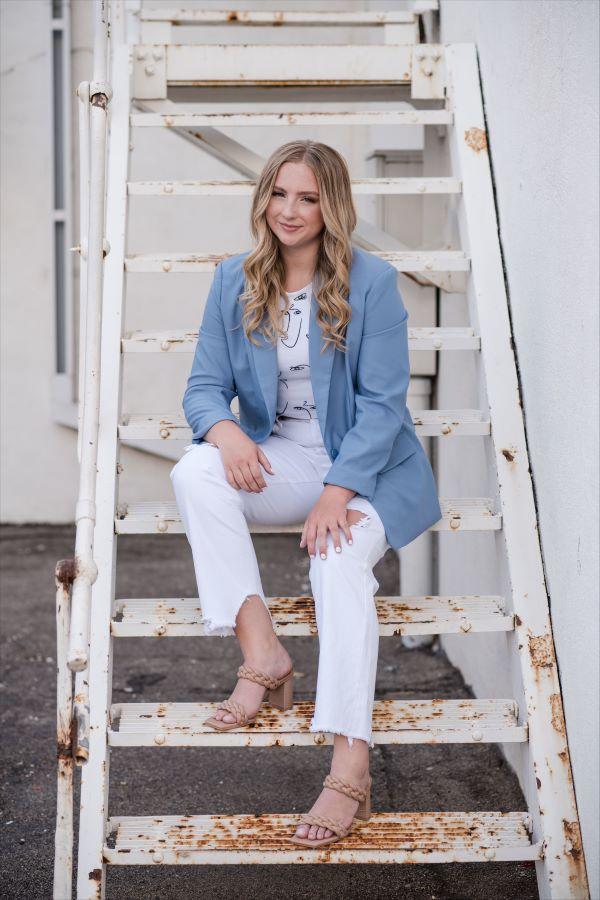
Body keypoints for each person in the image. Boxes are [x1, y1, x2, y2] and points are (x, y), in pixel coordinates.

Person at [170, 139, 442, 848]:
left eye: (309, 198)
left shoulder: (371, 282)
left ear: (332, 207)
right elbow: (202, 386)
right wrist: (225, 433)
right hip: (284, 456)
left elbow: (384, 406)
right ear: (263, 198)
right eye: (280, 194)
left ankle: (350, 761)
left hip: (371, 467)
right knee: (193, 471)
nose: (291, 211)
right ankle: (262, 652)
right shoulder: (235, 278)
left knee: (338, 565)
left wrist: (338, 490)